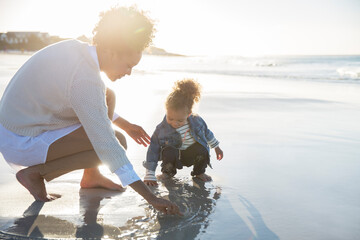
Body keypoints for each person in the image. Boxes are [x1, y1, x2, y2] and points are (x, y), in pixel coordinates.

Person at [0, 6, 181, 215]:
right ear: (111, 51)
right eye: (128, 65)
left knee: (108, 95)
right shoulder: (86, 79)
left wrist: (125, 124)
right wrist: (151, 197)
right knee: (118, 141)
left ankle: (91, 176)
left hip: (18, 125)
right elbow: (107, 144)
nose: (129, 73)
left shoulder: (76, 50)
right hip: (20, 138)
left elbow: (88, 102)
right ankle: (34, 173)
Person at [143, 79, 224, 186]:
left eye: (180, 120)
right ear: (166, 110)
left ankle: (199, 172)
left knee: (202, 149)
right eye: (170, 118)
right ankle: (168, 172)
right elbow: (153, 149)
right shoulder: (162, 129)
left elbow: (207, 133)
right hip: (173, 157)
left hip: (190, 155)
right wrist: (150, 173)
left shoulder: (197, 121)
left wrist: (216, 147)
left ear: (189, 114)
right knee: (168, 150)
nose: (174, 123)